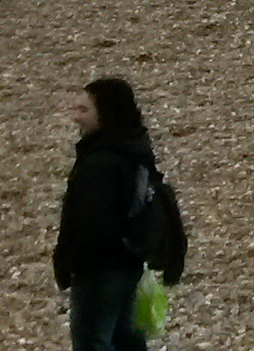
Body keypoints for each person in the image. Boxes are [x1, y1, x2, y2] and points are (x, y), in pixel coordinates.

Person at [56, 75, 175, 351]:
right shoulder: (135, 149)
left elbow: (92, 223)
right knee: (127, 341)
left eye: (84, 110)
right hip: (129, 264)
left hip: (99, 271)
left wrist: (72, 262)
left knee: (92, 341)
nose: (76, 118)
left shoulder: (101, 161)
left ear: (106, 114)